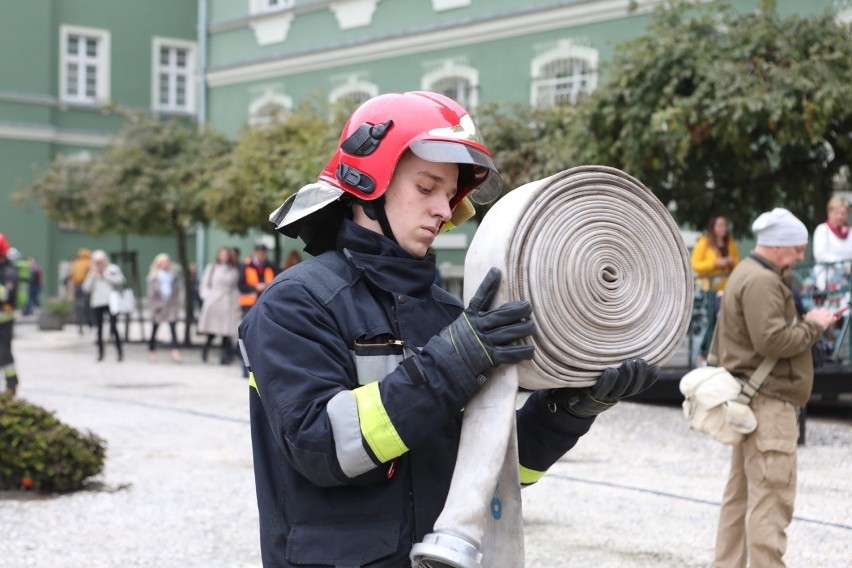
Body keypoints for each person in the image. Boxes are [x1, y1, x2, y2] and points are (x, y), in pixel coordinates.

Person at [239, 91, 660, 567]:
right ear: (368, 184)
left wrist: (569, 409)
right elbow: (323, 446)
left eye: (450, 193)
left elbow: (490, 470)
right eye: (426, 188)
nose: (444, 210)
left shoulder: (447, 314)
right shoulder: (296, 304)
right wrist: (453, 361)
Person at [714, 207, 836, 568]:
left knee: (740, 499)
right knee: (770, 501)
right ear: (779, 247)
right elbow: (772, 341)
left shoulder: (746, 273)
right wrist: (814, 324)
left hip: (752, 399)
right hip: (770, 404)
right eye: (797, 248)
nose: (801, 256)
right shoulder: (764, 281)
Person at [692, 215, 740, 364]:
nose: (723, 228)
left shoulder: (729, 243)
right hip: (710, 287)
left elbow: (739, 263)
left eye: (725, 225)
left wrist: (731, 262)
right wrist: (715, 263)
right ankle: (704, 352)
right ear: (713, 227)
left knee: (724, 319)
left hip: (726, 287)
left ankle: (717, 353)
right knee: (713, 318)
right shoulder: (705, 242)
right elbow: (695, 264)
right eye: (720, 225)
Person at [197, 246, 241, 365]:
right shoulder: (212, 268)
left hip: (228, 304)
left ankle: (224, 357)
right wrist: (207, 297)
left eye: (226, 255)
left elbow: (235, 287)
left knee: (226, 333)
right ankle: (205, 350)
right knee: (212, 332)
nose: (224, 257)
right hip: (214, 302)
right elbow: (204, 284)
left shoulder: (234, 269)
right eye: (222, 254)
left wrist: (237, 303)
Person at [238, 243, 276, 377]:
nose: (261, 255)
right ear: (255, 252)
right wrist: (255, 288)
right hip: (249, 305)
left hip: (265, 304)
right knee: (247, 335)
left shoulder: (269, 265)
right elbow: (240, 285)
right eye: (259, 253)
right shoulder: (246, 265)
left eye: (263, 253)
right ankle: (244, 368)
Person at [82, 250, 125, 362]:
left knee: (113, 327)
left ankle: (120, 352)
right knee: (99, 329)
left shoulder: (112, 269)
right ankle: (100, 354)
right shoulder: (92, 272)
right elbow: (86, 288)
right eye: (97, 261)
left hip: (111, 301)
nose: (99, 263)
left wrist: (104, 275)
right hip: (97, 302)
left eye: (101, 261)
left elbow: (120, 281)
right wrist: (93, 275)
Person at [812, 195, 852, 293]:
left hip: (847, 282)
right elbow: (821, 254)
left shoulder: (850, 232)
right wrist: (844, 264)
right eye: (837, 213)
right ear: (829, 213)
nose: (840, 216)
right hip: (826, 282)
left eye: (843, 213)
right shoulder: (822, 230)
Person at [146, 253, 181, 363]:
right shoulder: (153, 277)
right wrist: (156, 306)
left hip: (170, 306)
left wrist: (175, 304)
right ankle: (151, 351)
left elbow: (176, 292)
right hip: (159, 307)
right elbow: (151, 295)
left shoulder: (173, 276)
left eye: (167, 262)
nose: (165, 264)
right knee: (154, 330)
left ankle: (175, 351)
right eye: (163, 262)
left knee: (173, 329)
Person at [0, 234, 20, 396]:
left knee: (4, 353)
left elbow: (7, 294)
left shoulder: (9, 271)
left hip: (4, 320)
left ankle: (11, 385)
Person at [69, 248, 93, 334]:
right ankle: (90, 324)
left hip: (77, 286)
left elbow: (72, 276)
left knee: (78, 306)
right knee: (88, 306)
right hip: (86, 286)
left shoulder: (76, 263)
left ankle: (79, 325)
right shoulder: (89, 263)